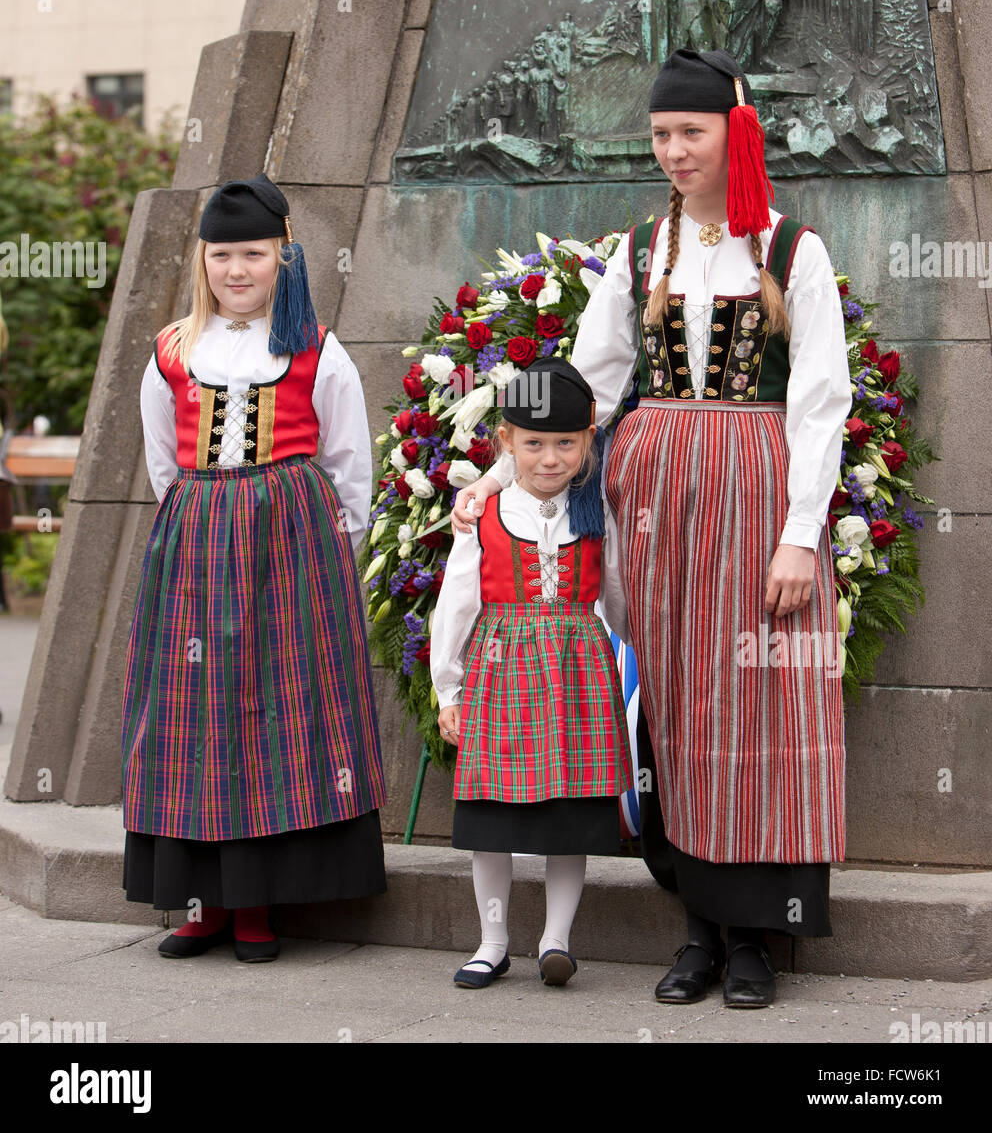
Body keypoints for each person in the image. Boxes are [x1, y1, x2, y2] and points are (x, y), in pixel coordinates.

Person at [453, 49, 850, 1008]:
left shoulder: (792, 250)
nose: (674, 151)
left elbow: (821, 399)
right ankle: (698, 933)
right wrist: (496, 475)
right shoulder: (642, 251)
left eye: (692, 133)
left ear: (735, 131)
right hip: (661, 504)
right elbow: (584, 392)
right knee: (675, 702)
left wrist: (802, 532)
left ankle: (758, 939)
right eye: (662, 135)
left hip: (757, 494)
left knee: (761, 701)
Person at [121, 173, 386, 961]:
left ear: (285, 257)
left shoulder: (315, 347)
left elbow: (347, 458)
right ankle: (202, 903)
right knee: (194, 711)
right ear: (203, 260)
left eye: (255, 254)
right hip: (199, 545)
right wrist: (204, 521)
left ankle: (262, 906)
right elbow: (163, 463)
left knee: (280, 707)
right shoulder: (172, 350)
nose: (237, 270)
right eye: (223, 255)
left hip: (292, 544)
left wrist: (329, 554)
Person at [432, 358, 633, 989]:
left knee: (564, 817)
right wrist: (449, 686)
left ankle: (556, 939)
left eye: (566, 443)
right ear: (506, 444)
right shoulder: (484, 515)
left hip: (579, 677)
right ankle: (492, 942)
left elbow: (620, 598)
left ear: (588, 442)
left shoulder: (599, 515)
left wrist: (641, 656)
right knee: (491, 820)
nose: (550, 458)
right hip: (500, 672)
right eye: (534, 443)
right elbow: (457, 602)